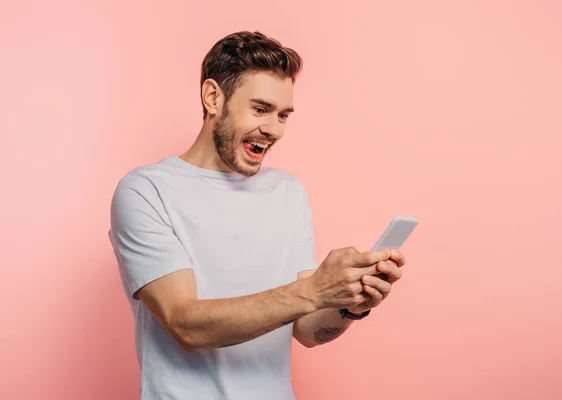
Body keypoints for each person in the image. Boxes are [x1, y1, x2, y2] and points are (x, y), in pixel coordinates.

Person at [108, 31, 406, 400]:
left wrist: (347, 307)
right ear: (213, 97)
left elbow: (307, 330)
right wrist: (314, 290)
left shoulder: (288, 193)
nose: (274, 129)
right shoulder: (146, 191)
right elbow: (186, 326)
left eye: (283, 115)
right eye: (260, 109)